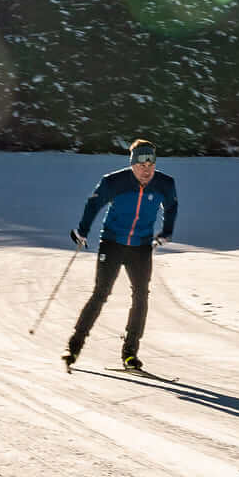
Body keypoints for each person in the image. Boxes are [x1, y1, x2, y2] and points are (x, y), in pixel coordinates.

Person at [65, 140, 178, 373]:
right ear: (132, 164)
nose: (146, 170)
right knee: (100, 294)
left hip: (141, 246)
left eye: (151, 164)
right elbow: (93, 205)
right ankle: (74, 347)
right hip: (112, 243)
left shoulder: (165, 184)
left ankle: (130, 354)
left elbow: (172, 207)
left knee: (141, 296)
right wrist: (82, 231)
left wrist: (166, 232)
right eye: (141, 165)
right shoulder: (113, 182)